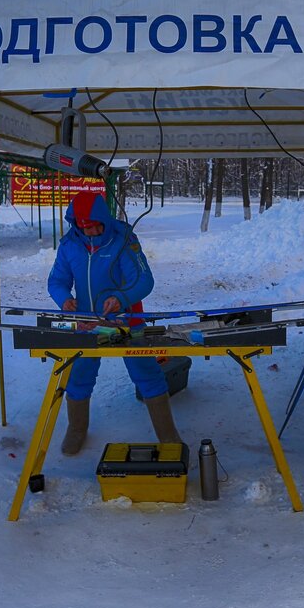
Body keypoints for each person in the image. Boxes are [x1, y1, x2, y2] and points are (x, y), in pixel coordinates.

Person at [48, 190, 182, 455]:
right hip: (86, 323)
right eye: (83, 228)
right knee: (79, 374)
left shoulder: (123, 241)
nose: (90, 233)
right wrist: (64, 299)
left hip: (127, 321)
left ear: (104, 219)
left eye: (94, 226)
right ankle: (77, 428)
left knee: (146, 373)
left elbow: (144, 281)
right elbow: (57, 281)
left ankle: (168, 435)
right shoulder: (69, 245)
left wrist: (122, 298)